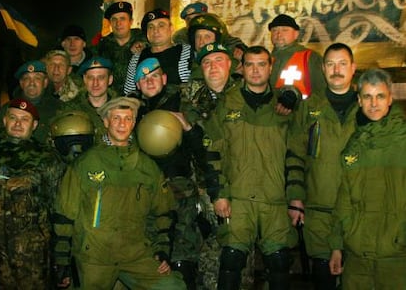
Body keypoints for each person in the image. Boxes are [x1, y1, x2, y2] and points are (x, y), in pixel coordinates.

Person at [52, 96, 186, 289]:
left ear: (134, 122)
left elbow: (164, 213)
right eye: (116, 118)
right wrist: (62, 263)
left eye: (127, 118)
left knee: (173, 286)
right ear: (106, 122)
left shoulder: (148, 167)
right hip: (95, 259)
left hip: (135, 256)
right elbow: (64, 216)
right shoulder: (84, 164)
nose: (122, 124)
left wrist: (163, 251)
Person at [204, 46, 293, 289]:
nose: (255, 71)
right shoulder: (227, 104)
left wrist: (296, 199)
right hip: (238, 198)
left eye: (261, 64)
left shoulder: (284, 107)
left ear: (270, 66)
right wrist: (219, 194)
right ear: (242, 68)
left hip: (274, 199)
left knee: (280, 263)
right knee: (231, 261)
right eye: (250, 64)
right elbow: (212, 152)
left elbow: (296, 154)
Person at [285, 43, 358, 290]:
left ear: (353, 68)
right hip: (318, 210)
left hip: (360, 210)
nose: (336, 70)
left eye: (342, 64)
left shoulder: (367, 109)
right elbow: (294, 155)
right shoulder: (308, 108)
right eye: (330, 64)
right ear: (323, 68)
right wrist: (295, 199)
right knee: (323, 276)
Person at [329, 68, 406, 290]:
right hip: (357, 255)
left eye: (380, 96)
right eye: (368, 97)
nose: (374, 104)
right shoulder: (354, 143)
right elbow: (343, 198)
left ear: (390, 99)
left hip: (397, 256)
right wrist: (337, 245)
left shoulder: (402, 140)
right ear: (359, 100)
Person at [134, 58, 208, 289]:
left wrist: (188, 127)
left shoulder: (182, 103)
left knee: (182, 254)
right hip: (147, 193)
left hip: (181, 191)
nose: (149, 81)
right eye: (144, 79)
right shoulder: (133, 111)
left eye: (154, 76)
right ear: (138, 86)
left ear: (164, 79)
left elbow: (203, 147)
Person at [0, 98, 65, 289]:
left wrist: (61, 254)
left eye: (24, 119)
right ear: (5, 120)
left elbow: (57, 205)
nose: (18, 123)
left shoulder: (48, 158)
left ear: (34, 125)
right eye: (13, 117)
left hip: (32, 254)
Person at [124, 8, 191, 95]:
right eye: (151, 27)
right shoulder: (137, 57)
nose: (155, 30)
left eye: (161, 25)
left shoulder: (186, 52)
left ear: (171, 28)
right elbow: (129, 91)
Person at [0, 60, 61, 145]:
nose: (31, 83)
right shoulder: (8, 108)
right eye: (27, 78)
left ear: (45, 82)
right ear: (21, 83)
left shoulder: (59, 108)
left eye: (37, 78)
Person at [268, 14, 326, 114]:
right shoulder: (265, 59)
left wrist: (296, 104)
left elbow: (322, 93)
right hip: (270, 121)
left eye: (285, 30)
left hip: (300, 121)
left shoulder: (310, 57)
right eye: (274, 30)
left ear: (296, 34)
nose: (278, 34)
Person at [59, 56, 117, 143]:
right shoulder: (70, 110)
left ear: (110, 80)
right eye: (91, 78)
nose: (95, 83)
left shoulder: (122, 108)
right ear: (84, 79)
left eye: (101, 77)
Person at [96, 1, 147, 94]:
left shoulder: (144, 40)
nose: (118, 23)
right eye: (114, 19)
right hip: (111, 98)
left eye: (122, 19)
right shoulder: (103, 46)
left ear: (130, 21)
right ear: (110, 23)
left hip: (140, 96)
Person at [183, 42, 238, 125]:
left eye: (218, 60)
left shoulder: (244, 91)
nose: (213, 66)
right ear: (201, 68)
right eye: (207, 62)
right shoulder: (190, 94)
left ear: (229, 64)